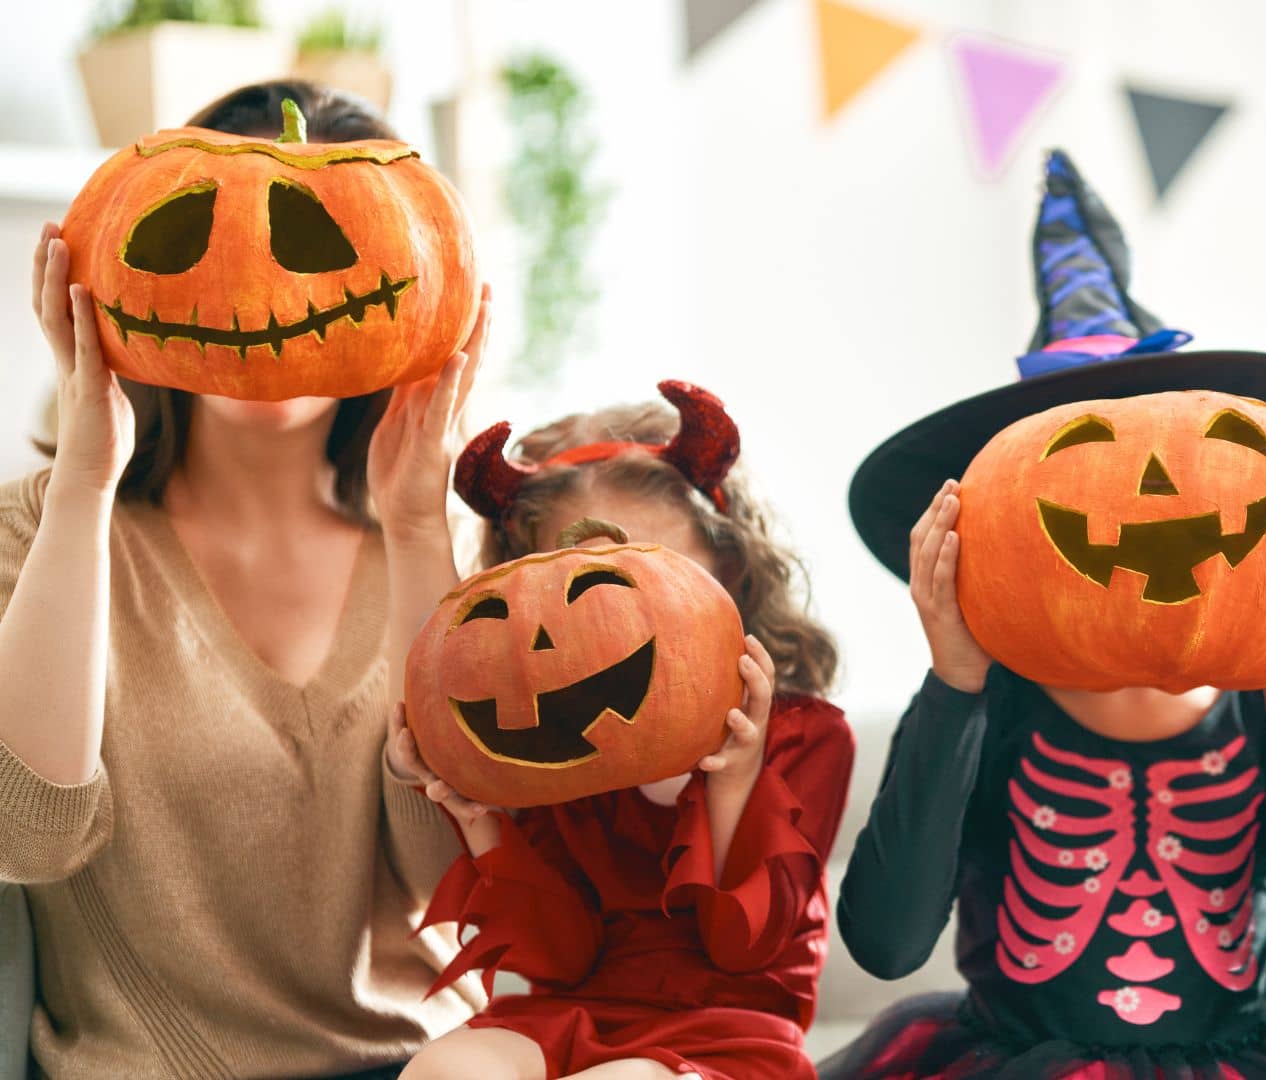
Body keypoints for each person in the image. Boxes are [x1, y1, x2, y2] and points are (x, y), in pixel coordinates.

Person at [821, 151, 1266, 1080]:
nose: (1150, 493)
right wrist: (956, 681)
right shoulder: (990, 707)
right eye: (1080, 454)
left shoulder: (1265, 712)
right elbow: (887, 944)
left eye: (1202, 451)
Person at [0, 80, 486, 1078]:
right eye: (203, 236)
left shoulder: (449, 545)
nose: (265, 291)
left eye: (315, 242)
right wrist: (86, 481)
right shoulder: (30, 529)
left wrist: (414, 529)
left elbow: (461, 889)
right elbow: (25, 838)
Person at [384, 383, 853, 1080]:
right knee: (447, 1069)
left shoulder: (805, 735)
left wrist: (733, 782)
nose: (622, 623)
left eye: (648, 573)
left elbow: (744, 951)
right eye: (581, 590)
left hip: (727, 1033)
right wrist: (477, 814)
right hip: (571, 1013)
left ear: (725, 566)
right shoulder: (558, 750)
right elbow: (558, 958)